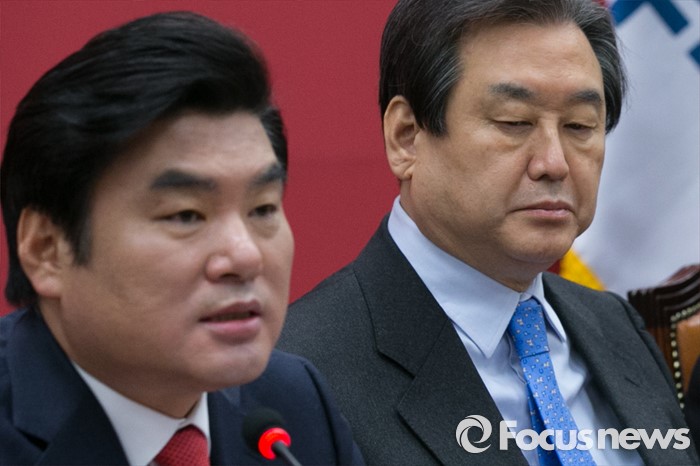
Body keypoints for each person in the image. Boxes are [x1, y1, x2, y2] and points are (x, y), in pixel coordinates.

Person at [278, 0, 699, 465]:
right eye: (514, 123)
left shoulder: (616, 327)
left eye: (580, 126)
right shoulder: (298, 376)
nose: (554, 163)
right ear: (406, 136)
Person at [0, 11, 363, 465]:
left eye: (263, 209)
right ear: (47, 250)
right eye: (186, 215)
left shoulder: (295, 405)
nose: (245, 255)